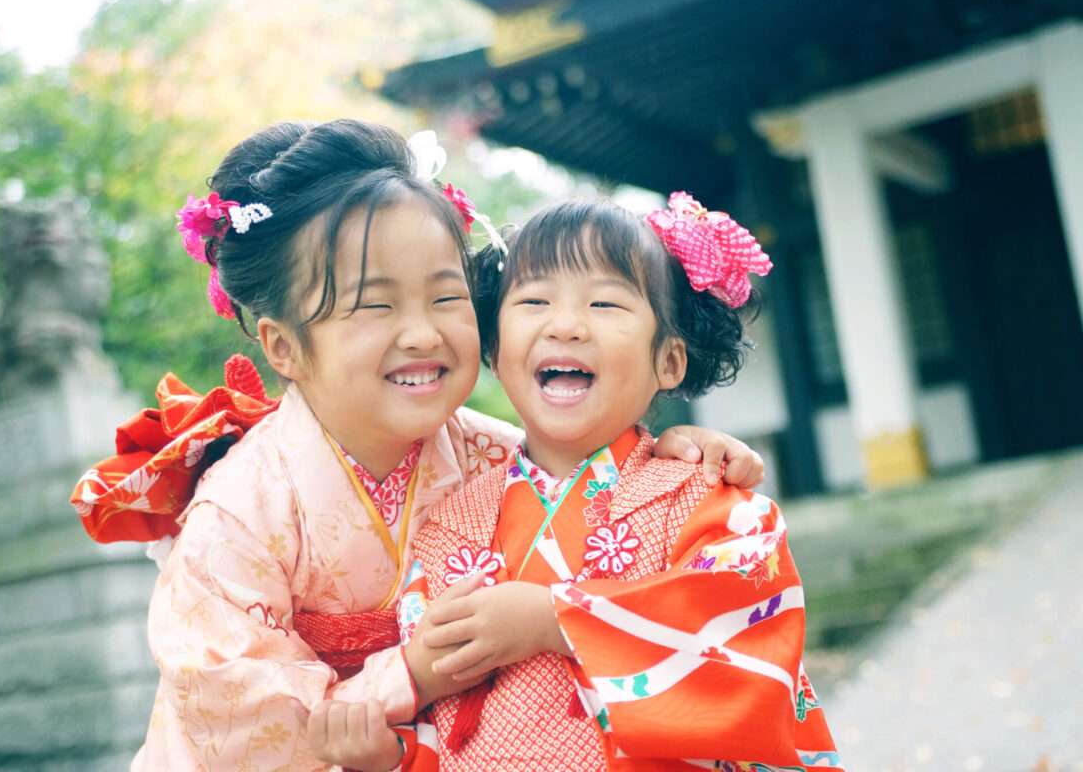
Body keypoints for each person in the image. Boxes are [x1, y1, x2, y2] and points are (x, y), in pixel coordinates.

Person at [68, 121, 766, 770]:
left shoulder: (499, 456)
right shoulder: (236, 516)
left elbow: (604, 491)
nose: (423, 334)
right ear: (284, 345)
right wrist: (412, 674)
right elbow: (238, 718)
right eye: (376, 305)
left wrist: (671, 452)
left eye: (444, 296)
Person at [304, 195, 839, 771]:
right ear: (493, 348)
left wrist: (557, 619)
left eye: (605, 303)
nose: (565, 325)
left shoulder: (708, 498)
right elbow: (448, 727)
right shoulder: (446, 531)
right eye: (534, 300)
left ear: (671, 362)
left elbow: (746, 650)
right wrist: (390, 755)